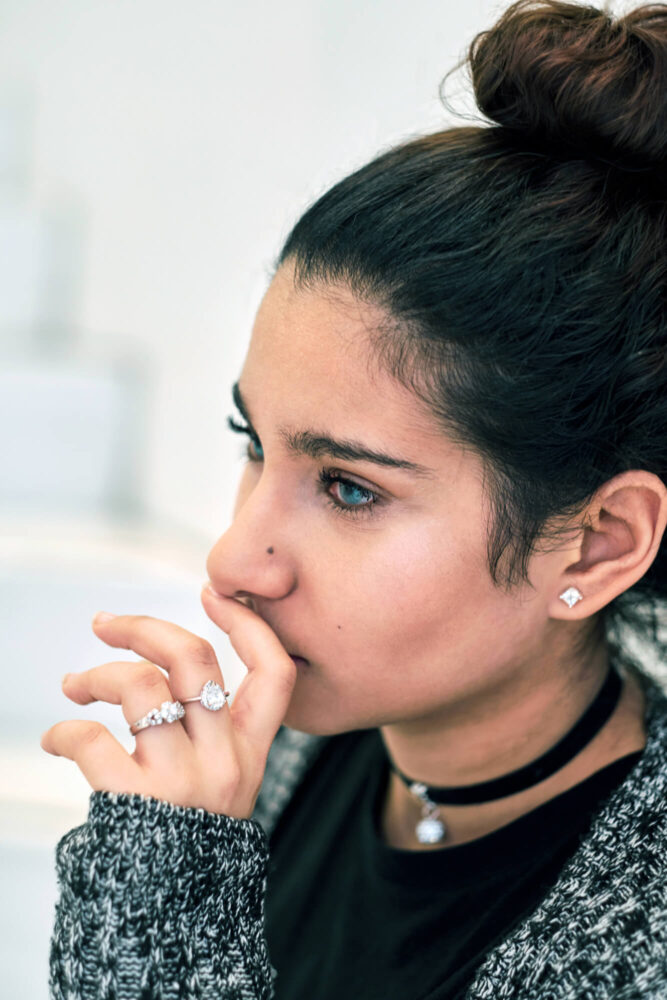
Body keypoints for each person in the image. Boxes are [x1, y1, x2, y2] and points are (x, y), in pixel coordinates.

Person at [42, 1, 667, 997]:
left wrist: (161, 892)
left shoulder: (635, 940)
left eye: (347, 486)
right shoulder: (287, 753)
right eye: (255, 443)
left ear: (594, 545)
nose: (235, 560)